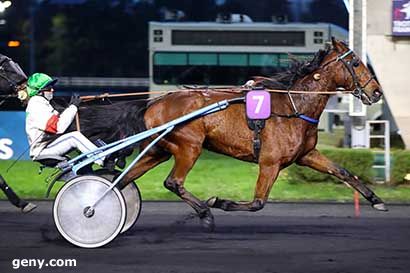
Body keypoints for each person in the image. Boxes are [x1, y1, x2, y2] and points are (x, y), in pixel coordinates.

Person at [25, 73, 103, 165]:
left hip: (49, 145)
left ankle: (101, 155)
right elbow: (58, 127)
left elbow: (60, 119)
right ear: (39, 91)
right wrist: (73, 107)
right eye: (49, 88)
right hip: (43, 151)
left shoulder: (42, 103)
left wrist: (71, 107)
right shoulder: (36, 104)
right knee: (74, 137)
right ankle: (102, 158)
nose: (52, 90)